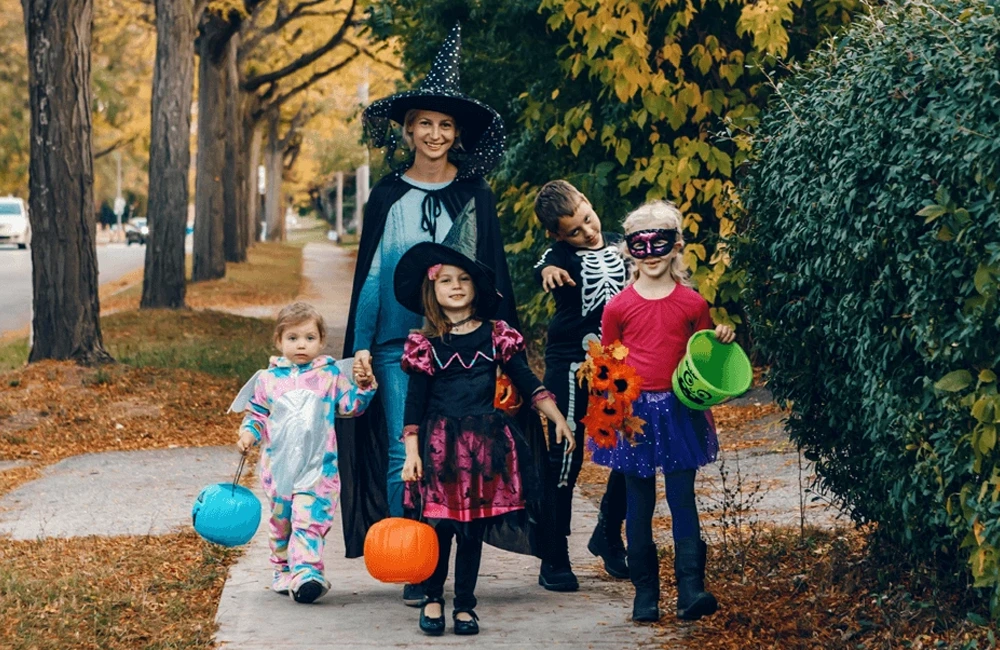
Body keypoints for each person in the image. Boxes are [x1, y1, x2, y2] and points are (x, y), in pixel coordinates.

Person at [338, 24, 516, 607]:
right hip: (395, 341)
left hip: (461, 345)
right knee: (402, 450)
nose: (434, 133)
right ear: (409, 129)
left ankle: (450, 569)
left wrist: (503, 348)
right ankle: (415, 563)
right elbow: (369, 275)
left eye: (445, 125)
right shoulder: (387, 194)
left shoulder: (475, 194)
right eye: (424, 123)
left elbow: (491, 274)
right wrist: (361, 343)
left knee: (460, 452)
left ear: (455, 133)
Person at [393, 239, 574, 636]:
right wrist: (411, 453)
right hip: (439, 445)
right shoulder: (426, 345)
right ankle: (433, 597)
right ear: (432, 291)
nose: (455, 287)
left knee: (470, 528)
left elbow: (526, 381)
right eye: (446, 281)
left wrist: (556, 416)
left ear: (476, 288)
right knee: (439, 526)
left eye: (463, 279)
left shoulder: (497, 336)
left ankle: (465, 605)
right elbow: (414, 405)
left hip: (484, 447)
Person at [592, 201, 734, 623]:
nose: (651, 252)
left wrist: (722, 337)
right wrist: (610, 415)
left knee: (681, 499)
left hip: (679, 412)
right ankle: (645, 595)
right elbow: (608, 367)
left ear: (677, 247)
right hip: (633, 415)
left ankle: (691, 589)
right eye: (640, 243)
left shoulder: (693, 304)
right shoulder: (617, 308)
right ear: (629, 250)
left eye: (661, 242)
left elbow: (704, 359)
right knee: (638, 504)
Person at [233, 302, 376, 604]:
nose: (301, 345)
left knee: (308, 521)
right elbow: (257, 413)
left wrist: (363, 388)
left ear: (321, 341)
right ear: (279, 341)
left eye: (309, 338)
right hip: (279, 470)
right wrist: (248, 434)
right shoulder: (267, 380)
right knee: (281, 522)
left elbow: (350, 407)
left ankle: (308, 574)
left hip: (318, 470)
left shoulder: (330, 376)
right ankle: (283, 569)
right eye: (293, 338)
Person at [531, 180, 630, 591]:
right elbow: (544, 265)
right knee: (565, 455)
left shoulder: (621, 244)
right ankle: (554, 554)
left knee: (632, 452)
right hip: (570, 364)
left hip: (620, 364)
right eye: (574, 230)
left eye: (587, 220)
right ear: (558, 235)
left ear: (590, 203)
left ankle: (608, 532)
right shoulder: (558, 256)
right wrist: (549, 269)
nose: (587, 232)